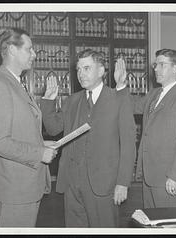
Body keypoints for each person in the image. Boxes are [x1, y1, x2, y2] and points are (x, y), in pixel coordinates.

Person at [41, 49, 136, 227]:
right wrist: (48, 101)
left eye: (86, 68)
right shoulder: (72, 101)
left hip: (104, 185)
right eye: (78, 69)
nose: (80, 74)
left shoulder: (118, 99)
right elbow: (54, 129)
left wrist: (123, 183)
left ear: (101, 71)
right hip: (72, 183)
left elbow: (129, 145)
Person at [0, 28, 58, 227]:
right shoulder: (0, 85)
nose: (34, 54)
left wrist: (42, 143)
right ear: (11, 50)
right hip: (14, 190)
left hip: (24, 187)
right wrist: (39, 153)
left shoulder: (16, 83)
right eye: (30, 49)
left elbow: (17, 131)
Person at [115, 49, 176, 209]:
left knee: (169, 226)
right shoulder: (154, 94)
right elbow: (131, 106)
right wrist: (121, 85)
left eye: (162, 65)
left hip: (169, 179)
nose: (156, 69)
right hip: (150, 177)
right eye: (156, 65)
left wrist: (175, 176)